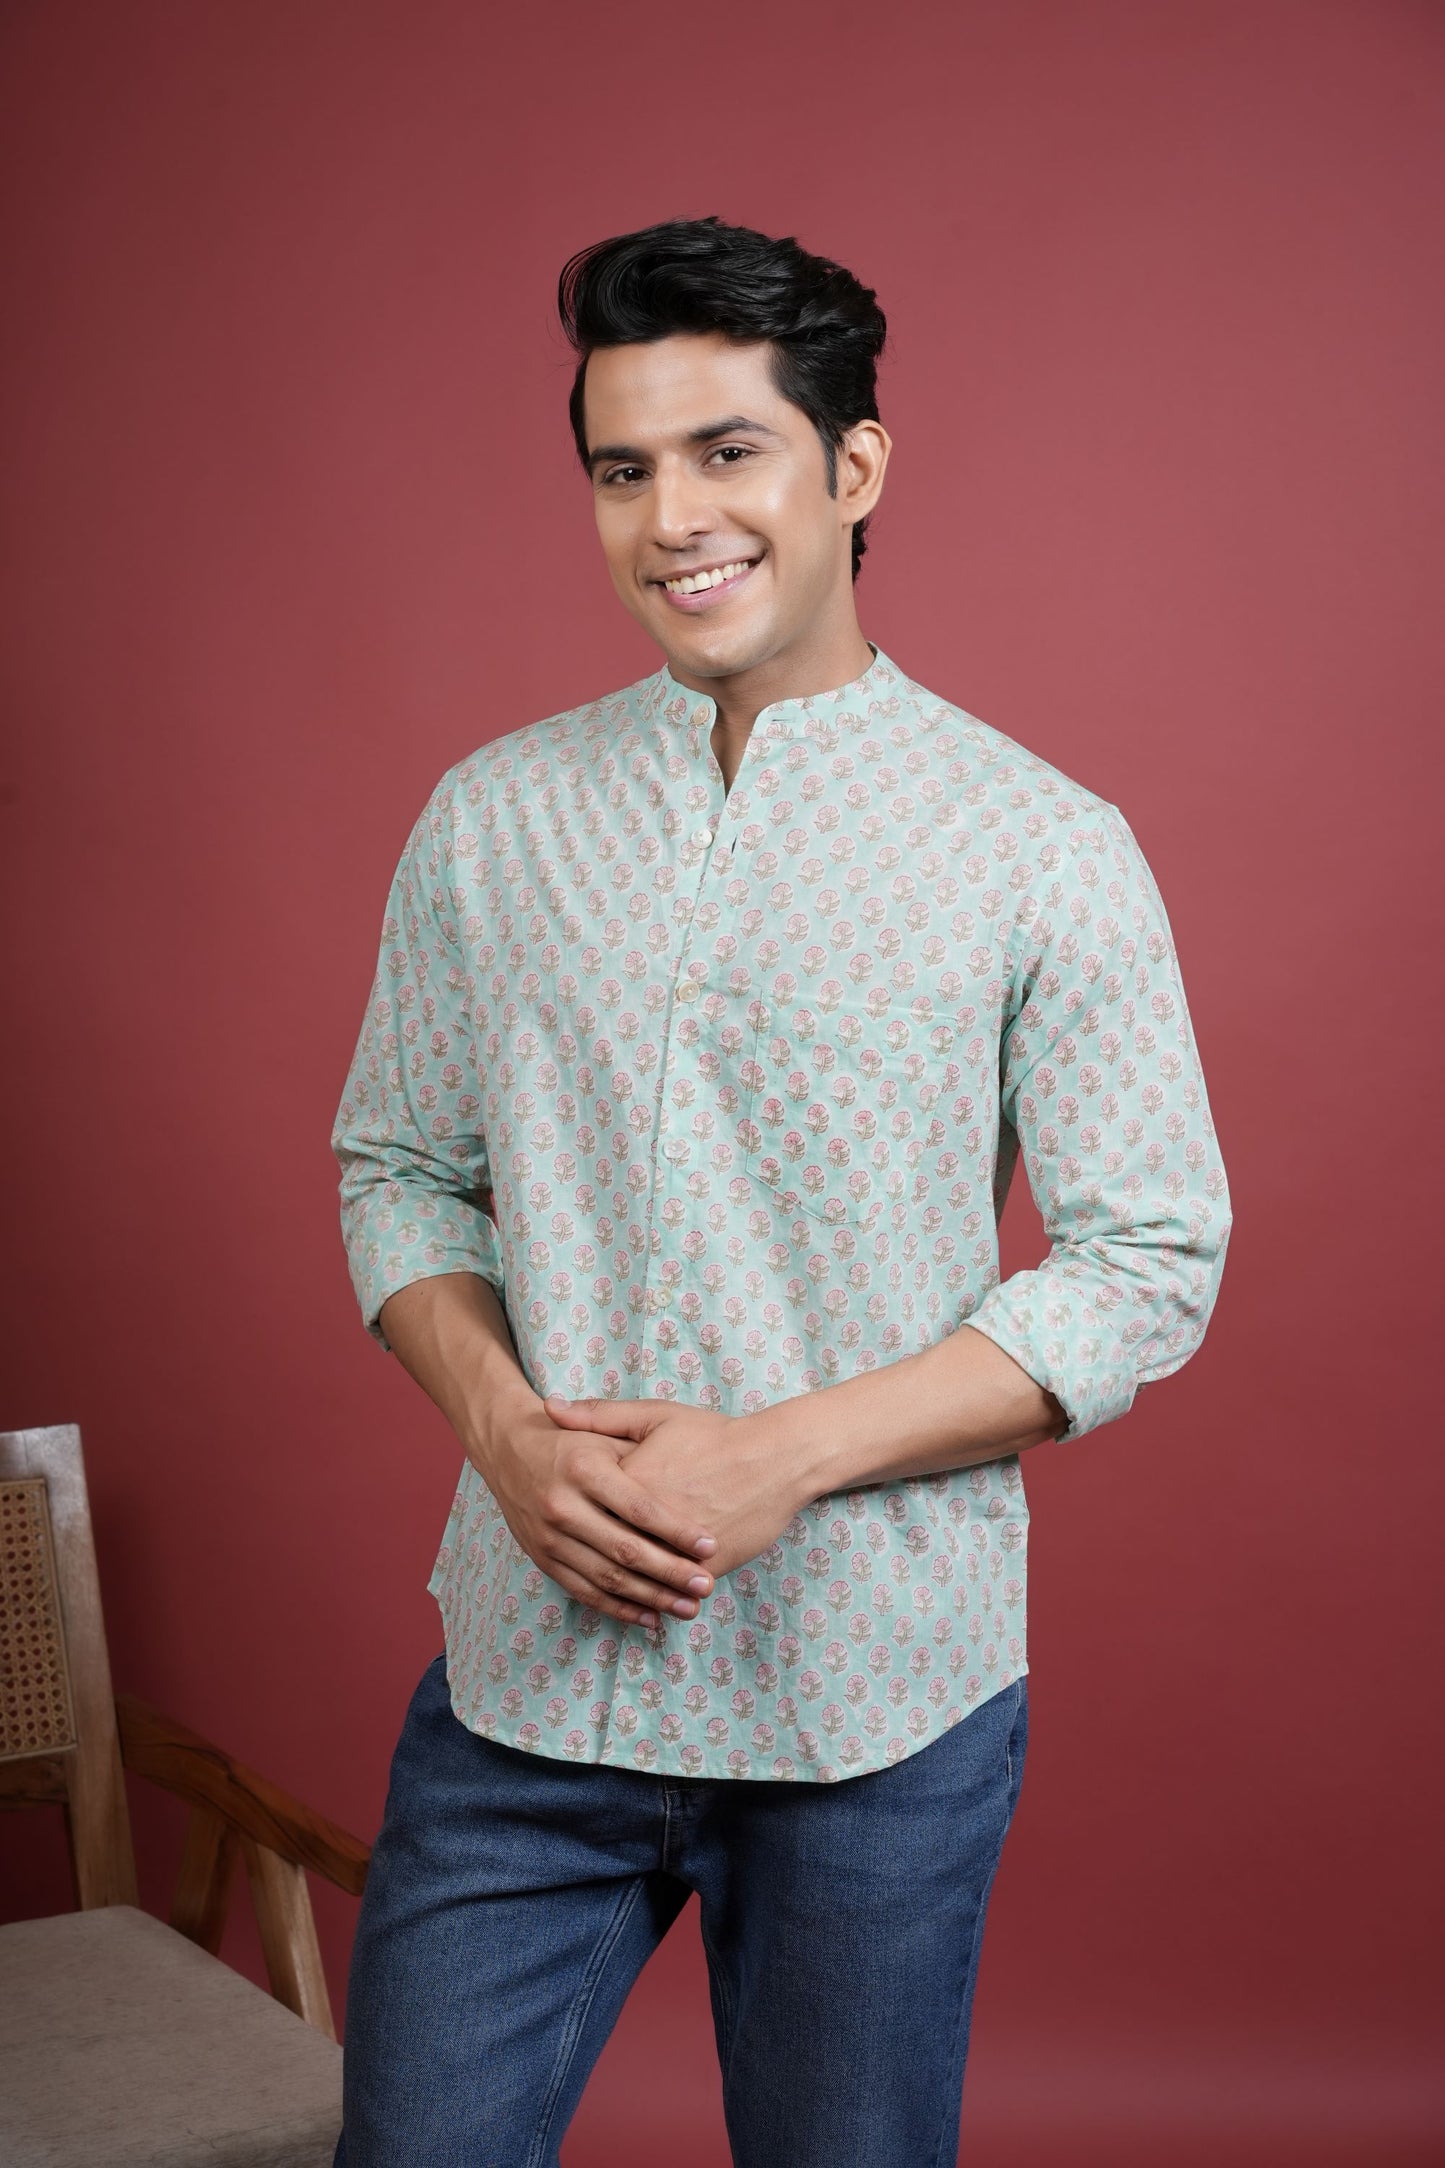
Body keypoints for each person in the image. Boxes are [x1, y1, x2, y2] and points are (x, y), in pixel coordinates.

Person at [330, 214, 1231, 2168]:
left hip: (875, 1702)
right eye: (623, 468)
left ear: (854, 467)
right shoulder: (492, 819)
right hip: (528, 1684)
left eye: (727, 450)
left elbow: (1148, 1259)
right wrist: (501, 1430)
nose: (673, 520)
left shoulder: (1040, 845)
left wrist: (780, 1460)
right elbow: (398, 1169)